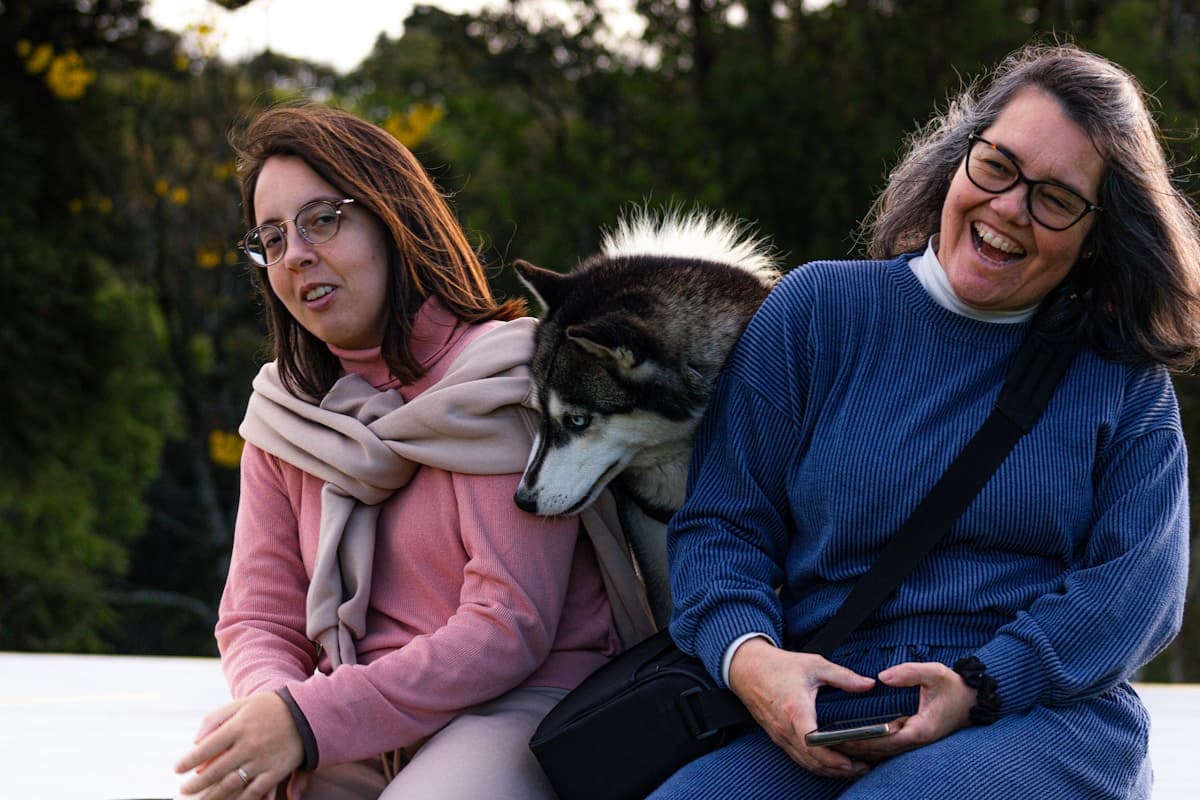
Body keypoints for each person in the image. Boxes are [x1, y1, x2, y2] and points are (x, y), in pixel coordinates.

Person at [651, 42, 1200, 799]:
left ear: (1095, 234)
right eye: (997, 166)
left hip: (1042, 716)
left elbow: (1138, 590)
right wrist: (755, 664)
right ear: (957, 158)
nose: (1009, 208)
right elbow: (723, 526)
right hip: (832, 703)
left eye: (1056, 198)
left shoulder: (1120, 376)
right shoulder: (816, 313)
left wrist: (978, 684)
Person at [173, 104, 651, 800]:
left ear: (393, 221)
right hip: (351, 715)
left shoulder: (500, 380)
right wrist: (274, 711)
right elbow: (258, 616)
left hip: (522, 703)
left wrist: (308, 720)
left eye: (322, 220)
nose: (297, 253)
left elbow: (506, 629)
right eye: (271, 238)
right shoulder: (285, 413)